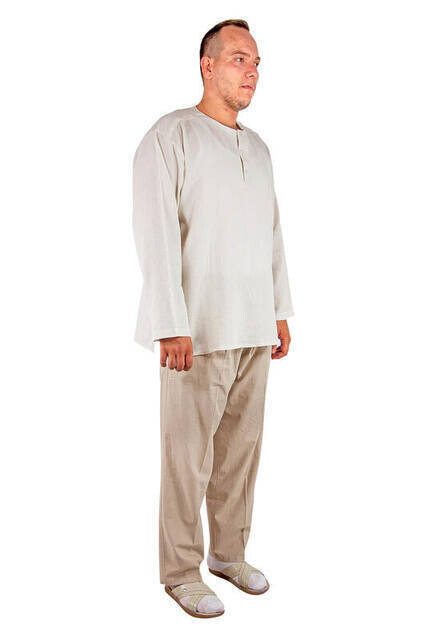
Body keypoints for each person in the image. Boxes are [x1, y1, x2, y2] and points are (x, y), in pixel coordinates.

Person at [132, 18, 294, 618]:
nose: (251, 71)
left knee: (240, 455)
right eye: (238, 59)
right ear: (207, 65)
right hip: (195, 330)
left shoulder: (259, 148)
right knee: (187, 458)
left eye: (256, 62)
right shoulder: (171, 135)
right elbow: (155, 231)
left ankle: (229, 554)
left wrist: (280, 310)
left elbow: (271, 234)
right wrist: (169, 320)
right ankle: (180, 571)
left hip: (252, 325)